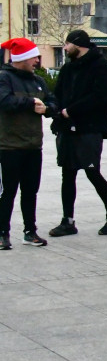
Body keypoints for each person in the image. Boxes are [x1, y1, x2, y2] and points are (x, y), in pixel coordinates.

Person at [49, 29, 107, 237]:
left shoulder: (101, 67)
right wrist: (54, 110)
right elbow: (58, 93)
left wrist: (70, 110)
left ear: (78, 44)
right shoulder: (68, 68)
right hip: (67, 128)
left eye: (67, 44)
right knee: (67, 173)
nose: (65, 48)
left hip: (90, 129)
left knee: (92, 171)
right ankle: (68, 221)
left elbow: (101, 96)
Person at [0, 38, 57, 249]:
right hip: (9, 146)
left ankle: (29, 231)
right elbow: (4, 101)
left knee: (30, 191)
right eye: (34, 57)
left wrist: (49, 109)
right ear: (21, 58)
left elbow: (52, 101)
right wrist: (31, 103)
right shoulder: (4, 78)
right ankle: (2, 233)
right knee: (8, 192)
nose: (37, 61)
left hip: (34, 146)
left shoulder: (38, 81)